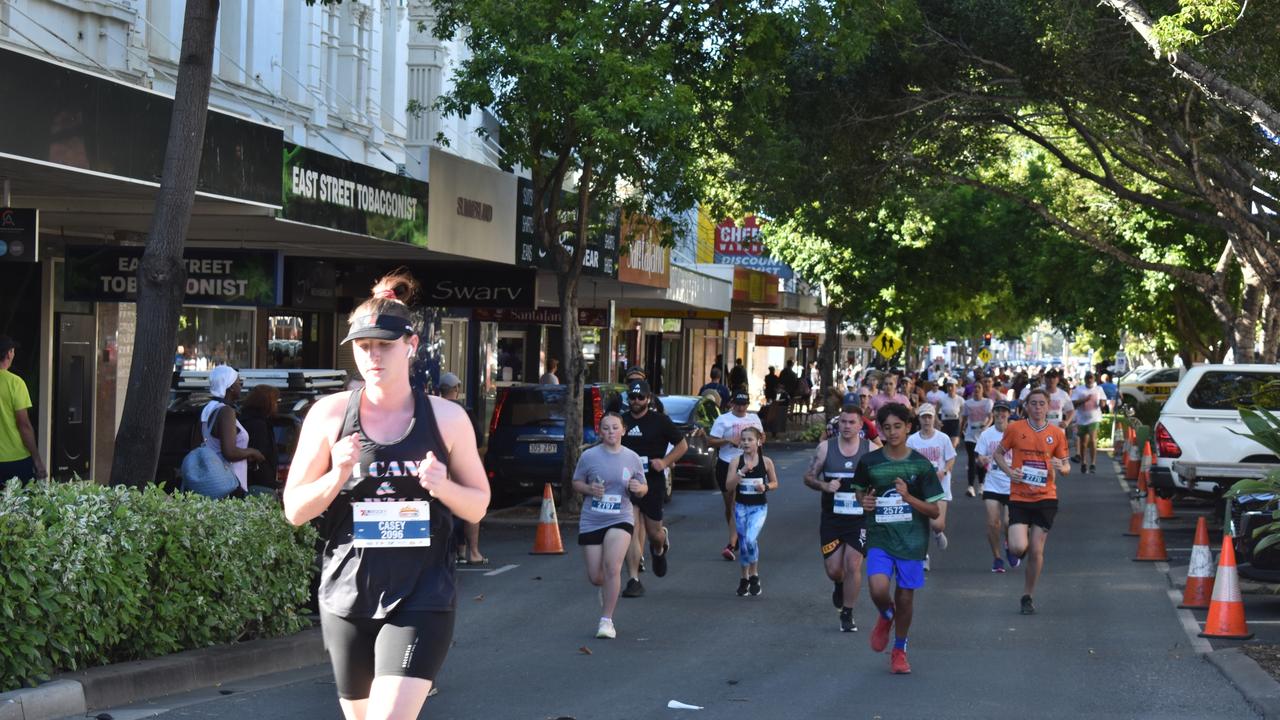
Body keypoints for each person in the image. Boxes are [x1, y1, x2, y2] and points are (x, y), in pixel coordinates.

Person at [282, 270, 489, 720]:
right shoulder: (329, 415)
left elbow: (479, 503)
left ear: (410, 346)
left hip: (423, 594)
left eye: (384, 345)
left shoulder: (447, 418)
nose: (373, 356)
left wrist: (443, 486)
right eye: (363, 346)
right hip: (347, 593)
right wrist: (336, 473)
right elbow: (295, 510)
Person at [854, 403, 944, 675]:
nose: (892, 432)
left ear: (908, 427)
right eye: (886, 427)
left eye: (898, 427)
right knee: (878, 589)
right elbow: (860, 494)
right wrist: (865, 501)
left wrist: (907, 497)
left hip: (912, 541)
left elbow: (934, 510)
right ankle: (885, 615)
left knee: (905, 598)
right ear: (880, 430)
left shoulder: (920, 464)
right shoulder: (870, 462)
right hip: (880, 536)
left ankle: (899, 650)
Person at [994, 388, 1070, 615]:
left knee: (1036, 550)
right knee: (1018, 548)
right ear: (1026, 406)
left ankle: (1028, 595)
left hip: (1046, 498)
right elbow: (998, 454)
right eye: (1033, 404)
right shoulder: (1015, 429)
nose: (1037, 408)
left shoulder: (1057, 434)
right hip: (1019, 496)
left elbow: (1066, 467)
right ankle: (1016, 545)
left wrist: (1061, 467)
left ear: (1049, 407)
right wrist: (1009, 472)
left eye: (1041, 404)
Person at [572, 412, 647, 639]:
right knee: (597, 576)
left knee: (613, 566)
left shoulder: (632, 457)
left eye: (615, 427)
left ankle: (606, 621)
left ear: (623, 430)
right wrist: (590, 489)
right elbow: (576, 483)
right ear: (599, 432)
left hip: (620, 517)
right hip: (593, 518)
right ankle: (606, 589)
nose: (611, 432)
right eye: (605, 428)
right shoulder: (589, 456)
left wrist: (638, 488)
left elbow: (644, 487)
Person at [805, 403, 875, 632]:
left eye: (851, 422)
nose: (846, 426)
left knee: (853, 564)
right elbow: (808, 477)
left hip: (859, 519)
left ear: (861, 424)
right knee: (835, 569)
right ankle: (838, 583)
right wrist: (824, 485)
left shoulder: (872, 450)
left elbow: (882, 480)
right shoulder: (826, 448)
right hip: (832, 518)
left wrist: (872, 496)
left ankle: (848, 613)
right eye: (842, 422)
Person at [620, 379, 687, 598]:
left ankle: (659, 547)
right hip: (627, 482)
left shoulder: (660, 421)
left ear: (648, 399)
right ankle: (633, 580)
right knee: (630, 527)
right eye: (632, 397)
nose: (636, 401)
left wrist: (665, 462)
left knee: (653, 532)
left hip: (652, 481)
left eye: (640, 397)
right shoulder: (623, 421)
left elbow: (682, 444)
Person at [708, 390, 764, 561]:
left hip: (746, 463)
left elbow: (762, 437)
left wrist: (755, 446)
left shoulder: (754, 419)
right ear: (732, 403)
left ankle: (732, 543)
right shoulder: (723, 419)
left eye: (744, 404)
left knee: (736, 503)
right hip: (726, 463)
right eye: (738, 404)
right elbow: (711, 440)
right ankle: (737, 536)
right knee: (729, 504)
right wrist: (728, 440)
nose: (741, 407)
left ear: (748, 404)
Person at [438, 372, 486, 566]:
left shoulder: (432, 408)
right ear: (456, 390)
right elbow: (479, 439)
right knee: (470, 506)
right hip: (461, 465)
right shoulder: (463, 412)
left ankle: (457, 549)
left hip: (439, 466)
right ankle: (473, 552)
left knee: (445, 508)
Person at [726, 427, 778, 596]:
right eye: (743, 440)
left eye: (750, 439)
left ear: (758, 442)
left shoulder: (766, 461)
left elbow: (775, 483)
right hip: (741, 507)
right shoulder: (736, 461)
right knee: (743, 544)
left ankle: (754, 574)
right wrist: (742, 472)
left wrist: (765, 487)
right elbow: (728, 486)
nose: (746, 443)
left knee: (750, 539)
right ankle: (744, 578)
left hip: (759, 507)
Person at [200, 366, 265, 497]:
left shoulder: (208, 408)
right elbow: (230, 452)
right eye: (238, 381)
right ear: (230, 387)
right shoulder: (226, 412)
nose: (241, 385)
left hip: (212, 481)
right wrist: (253, 452)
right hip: (230, 484)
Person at [905, 404, 955, 566]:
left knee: (937, 523)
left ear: (934, 418)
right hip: (920, 487)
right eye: (923, 417)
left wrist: (945, 471)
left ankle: (938, 533)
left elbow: (951, 458)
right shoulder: (912, 440)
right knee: (920, 524)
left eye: (929, 417)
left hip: (939, 485)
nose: (926, 420)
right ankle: (924, 556)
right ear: (918, 419)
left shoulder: (943, 438)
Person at [975, 401, 1019, 573]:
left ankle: (1008, 543)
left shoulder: (1016, 433)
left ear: (1009, 414)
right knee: (993, 523)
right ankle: (997, 558)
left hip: (1012, 483)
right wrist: (982, 460)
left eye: (1004, 411)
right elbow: (979, 457)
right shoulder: (987, 434)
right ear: (993, 413)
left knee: (1008, 522)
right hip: (992, 483)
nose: (1001, 414)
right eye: (998, 411)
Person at [0, 336, 45, 482]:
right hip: (15, 459)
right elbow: (24, 425)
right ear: (8, 354)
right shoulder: (15, 383)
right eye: (12, 351)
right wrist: (37, 460)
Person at [239, 384, 281, 497]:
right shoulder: (259, 425)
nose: (277, 406)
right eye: (276, 402)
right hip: (260, 486)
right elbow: (261, 456)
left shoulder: (244, 420)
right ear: (267, 403)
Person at [1071, 372, 1106, 474]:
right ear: (1085, 379)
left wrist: (1102, 404)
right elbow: (1073, 403)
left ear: (1094, 379)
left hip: (1094, 418)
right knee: (1083, 443)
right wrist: (1084, 400)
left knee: (1093, 440)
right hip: (1082, 419)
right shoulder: (1079, 389)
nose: (1090, 379)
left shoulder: (1099, 389)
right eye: (1088, 378)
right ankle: (1083, 463)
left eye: (1091, 378)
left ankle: (1093, 464)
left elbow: (1103, 402)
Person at [962, 384, 993, 497]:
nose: (976, 390)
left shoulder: (987, 402)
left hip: (983, 436)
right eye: (975, 388)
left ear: (982, 390)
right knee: (972, 460)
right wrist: (961, 431)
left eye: (979, 388)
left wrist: (986, 425)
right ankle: (970, 487)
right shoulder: (967, 403)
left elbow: (991, 417)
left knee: (981, 461)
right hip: (970, 436)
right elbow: (964, 418)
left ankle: (981, 485)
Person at [936, 382, 963, 451]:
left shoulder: (960, 399)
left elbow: (963, 412)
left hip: (955, 422)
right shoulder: (942, 398)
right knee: (945, 446)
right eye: (948, 386)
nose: (950, 388)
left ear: (955, 387)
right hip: (945, 422)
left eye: (952, 386)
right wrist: (938, 421)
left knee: (953, 445)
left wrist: (960, 419)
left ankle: (951, 459)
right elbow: (935, 412)